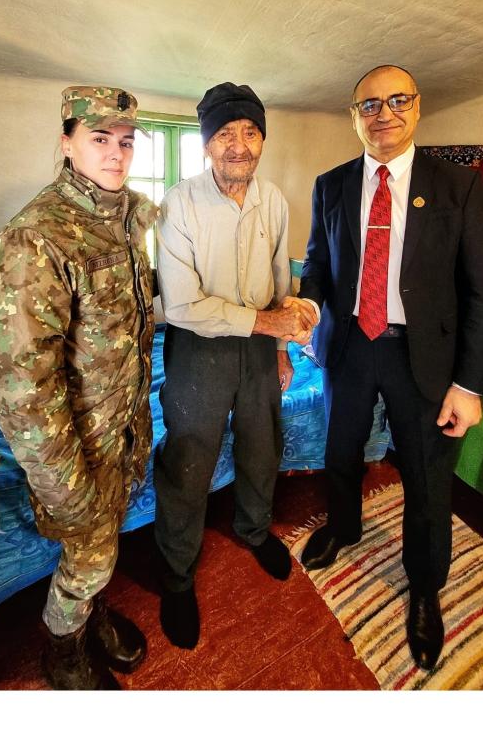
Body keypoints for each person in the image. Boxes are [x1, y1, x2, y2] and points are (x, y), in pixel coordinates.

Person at [297, 65, 483, 670]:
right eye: (370, 105)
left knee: (428, 477)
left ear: (417, 107)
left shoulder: (459, 186)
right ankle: (344, 526)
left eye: (397, 101)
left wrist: (468, 384)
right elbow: (317, 264)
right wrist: (307, 307)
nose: (383, 114)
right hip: (350, 346)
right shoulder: (330, 185)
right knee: (340, 450)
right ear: (353, 116)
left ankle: (425, 586)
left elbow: (479, 293)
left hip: (425, 355)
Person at [0, 86, 156, 690]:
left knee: (99, 549)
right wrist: (64, 484)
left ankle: (89, 615)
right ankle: (62, 647)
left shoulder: (123, 217)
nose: (116, 153)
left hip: (120, 430)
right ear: (67, 143)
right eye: (99, 139)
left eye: (125, 142)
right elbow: (20, 385)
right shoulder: (38, 235)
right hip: (74, 450)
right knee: (88, 554)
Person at [153, 82, 317, 649]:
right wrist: (268, 326)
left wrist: (281, 348)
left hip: (259, 346)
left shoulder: (273, 200)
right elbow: (180, 306)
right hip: (199, 347)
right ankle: (177, 575)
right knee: (188, 460)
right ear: (206, 144)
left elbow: (280, 280)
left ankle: (253, 529)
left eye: (250, 132)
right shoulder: (179, 203)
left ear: (262, 141)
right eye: (225, 134)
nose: (239, 146)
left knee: (262, 442)